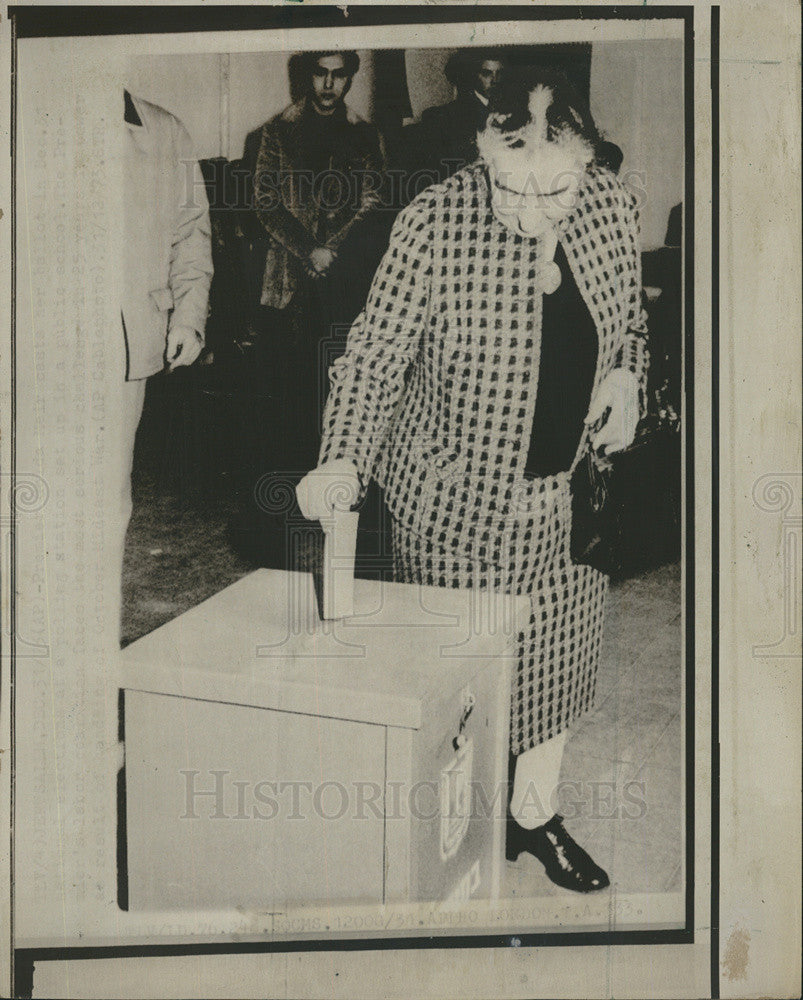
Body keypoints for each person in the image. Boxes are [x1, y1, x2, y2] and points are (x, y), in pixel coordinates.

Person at [297, 68, 649, 892]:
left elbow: (629, 316)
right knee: (460, 693)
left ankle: (534, 817)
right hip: (458, 502)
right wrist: (342, 457)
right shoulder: (434, 222)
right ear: (483, 153)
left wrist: (627, 373)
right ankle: (451, 839)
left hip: (567, 500)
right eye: (507, 188)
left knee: (553, 674)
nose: (530, 214)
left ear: (587, 163)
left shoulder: (611, 207)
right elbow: (374, 357)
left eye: (554, 191)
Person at [245, 51, 386, 566]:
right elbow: (264, 202)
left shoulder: (365, 134)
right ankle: (274, 540)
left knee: (337, 403)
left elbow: (373, 199)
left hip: (344, 287)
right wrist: (310, 249)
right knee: (283, 412)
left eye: (339, 74)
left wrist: (335, 251)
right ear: (307, 76)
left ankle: (338, 529)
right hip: (287, 288)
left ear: (350, 77)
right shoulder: (274, 133)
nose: (329, 84)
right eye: (320, 74)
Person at [120, 89, 213, 628]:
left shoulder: (163, 129)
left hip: (123, 341)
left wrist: (187, 316)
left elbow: (190, 234)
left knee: (110, 503)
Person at [418, 49, 506, 182]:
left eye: (499, 73)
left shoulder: (513, 111)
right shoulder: (449, 115)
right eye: (487, 74)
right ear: (474, 75)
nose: (495, 80)